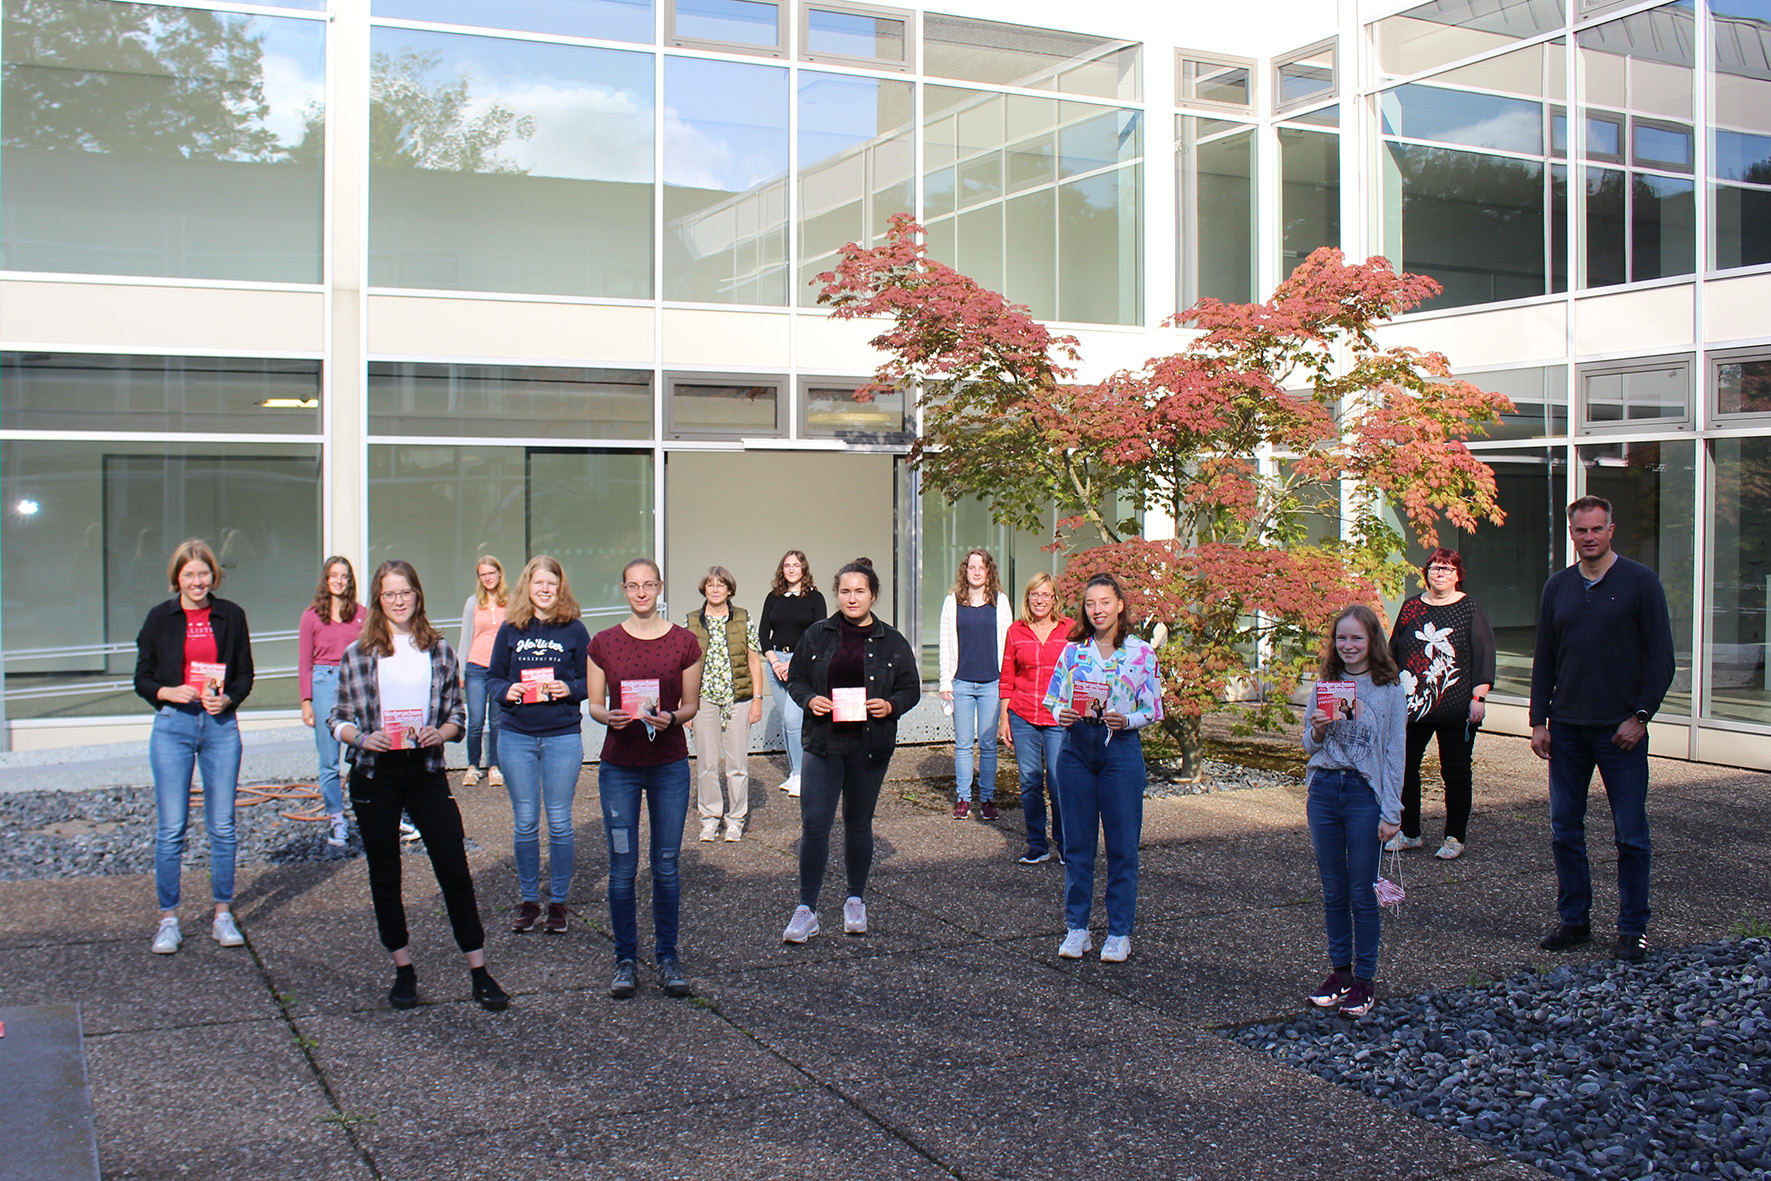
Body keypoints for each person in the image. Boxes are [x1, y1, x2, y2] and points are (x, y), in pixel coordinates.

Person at [329, 560, 508, 1012]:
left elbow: (458, 718)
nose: (399, 601)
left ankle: (479, 971)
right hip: (375, 772)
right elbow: (337, 719)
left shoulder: (440, 651)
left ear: (418, 594)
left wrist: (441, 733)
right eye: (389, 594)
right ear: (378, 599)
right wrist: (358, 736)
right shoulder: (358, 653)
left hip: (424, 769)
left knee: (453, 866)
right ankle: (403, 970)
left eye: (405, 592)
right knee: (386, 873)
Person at [1530, 495, 1675, 964]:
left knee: (1630, 834)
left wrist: (1641, 717)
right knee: (1564, 829)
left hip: (1620, 732)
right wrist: (1538, 721)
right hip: (1567, 730)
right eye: (1580, 530)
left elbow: (1661, 659)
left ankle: (1633, 929)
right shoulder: (1558, 587)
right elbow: (1545, 658)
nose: (1588, 537)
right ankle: (1575, 920)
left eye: (1596, 529)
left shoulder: (1640, 583)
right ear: (1571, 534)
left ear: (1611, 530)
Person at [780, 558, 922, 944]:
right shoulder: (816, 635)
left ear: (873, 595)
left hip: (869, 746)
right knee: (815, 825)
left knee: (858, 824)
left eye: (860, 591)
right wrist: (810, 700)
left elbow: (911, 688)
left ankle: (855, 900)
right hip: (824, 744)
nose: (852, 597)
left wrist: (890, 706)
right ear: (836, 594)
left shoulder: (892, 640)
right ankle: (806, 908)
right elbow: (796, 679)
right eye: (845, 591)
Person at [586, 558, 703, 1000]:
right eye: (633, 586)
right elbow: (595, 704)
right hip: (619, 766)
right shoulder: (604, 643)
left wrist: (672, 716)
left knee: (666, 865)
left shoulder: (684, 642)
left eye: (648, 585)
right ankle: (625, 960)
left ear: (660, 587)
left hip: (668, 764)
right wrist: (607, 716)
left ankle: (668, 957)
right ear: (623, 590)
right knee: (622, 867)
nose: (640, 593)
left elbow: (690, 705)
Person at [134, 539, 255, 956]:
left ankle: (223, 912)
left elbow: (245, 674)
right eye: (189, 574)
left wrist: (229, 699)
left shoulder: (231, 615)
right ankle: (168, 919)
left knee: (222, 826)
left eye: (203, 573)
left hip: (220, 726)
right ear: (177, 578)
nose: (197, 581)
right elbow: (142, 678)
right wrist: (168, 691)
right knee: (171, 830)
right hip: (174, 726)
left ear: (213, 575)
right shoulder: (159, 618)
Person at [1043, 573, 1162, 964]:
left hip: (1120, 750)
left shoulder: (1142, 653)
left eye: (1105, 603)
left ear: (1120, 605)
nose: (1098, 610)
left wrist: (1128, 721)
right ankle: (1077, 928)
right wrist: (1060, 714)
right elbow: (1052, 698)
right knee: (1077, 845)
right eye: (1091, 604)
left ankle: (1118, 932)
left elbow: (1153, 708)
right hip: (1077, 749)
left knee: (1121, 846)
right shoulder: (1073, 652)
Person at [1301, 604, 1405, 1018]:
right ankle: (1339, 972)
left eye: (1356, 638)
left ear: (1372, 641)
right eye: (1341, 638)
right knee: (1333, 890)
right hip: (1326, 788)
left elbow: (1396, 751)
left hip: (1365, 793)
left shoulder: (1389, 688)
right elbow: (1308, 746)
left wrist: (1392, 811)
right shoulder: (1326, 682)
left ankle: (1365, 979)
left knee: (1363, 891)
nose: (1348, 646)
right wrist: (1318, 728)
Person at [488, 556, 590, 936]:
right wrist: (506, 691)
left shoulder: (575, 630)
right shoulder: (510, 629)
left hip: (562, 736)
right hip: (516, 736)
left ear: (560, 588)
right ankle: (529, 899)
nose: (545, 590)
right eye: (537, 584)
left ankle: (559, 902)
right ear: (526, 588)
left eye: (551, 583)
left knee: (560, 822)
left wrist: (571, 689)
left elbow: (591, 681)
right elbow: (493, 677)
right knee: (526, 821)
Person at [1387, 548, 1495, 861]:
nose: (1441, 574)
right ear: (1427, 572)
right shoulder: (1410, 607)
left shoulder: (1469, 608)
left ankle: (1454, 836)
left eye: (1448, 569)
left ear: (1458, 575)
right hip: (1412, 707)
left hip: (1457, 707)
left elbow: (1484, 654)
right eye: (1435, 568)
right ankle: (1409, 832)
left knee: (1456, 772)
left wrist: (1479, 697)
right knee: (1404, 768)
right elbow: (1393, 652)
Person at [998, 572, 1074, 865]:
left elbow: (1079, 672)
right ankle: (1036, 844)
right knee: (1030, 781)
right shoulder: (1016, 631)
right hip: (1023, 713)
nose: (1040, 600)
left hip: (1058, 717)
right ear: (1027, 598)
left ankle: (1065, 844)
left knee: (1058, 781)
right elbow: (1008, 677)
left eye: (1046, 595)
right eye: (1034, 594)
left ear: (1055, 598)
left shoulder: (1071, 630)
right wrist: (1004, 719)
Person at [685, 566, 763, 843]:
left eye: (721, 585)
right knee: (706, 763)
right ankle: (709, 819)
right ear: (704, 589)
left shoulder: (742, 617)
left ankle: (735, 820)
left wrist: (757, 700)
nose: (715, 589)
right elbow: (685, 666)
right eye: (710, 585)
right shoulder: (692, 621)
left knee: (737, 764)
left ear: (730, 589)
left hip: (738, 699)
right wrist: (686, 706)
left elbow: (754, 660)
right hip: (704, 700)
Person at [939, 548, 1013, 820]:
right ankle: (963, 798)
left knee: (988, 743)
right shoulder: (953, 602)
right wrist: (945, 681)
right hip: (962, 682)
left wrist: (1007, 681)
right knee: (962, 744)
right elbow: (946, 643)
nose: (977, 572)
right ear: (965, 570)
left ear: (989, 571)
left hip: (992, 682)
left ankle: (988, 797)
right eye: (972, 567)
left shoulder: (1000, 601)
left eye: (982, 567)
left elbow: (1009, 644)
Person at [299, 556, 364, 848]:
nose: (339, 581)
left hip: (354, 683)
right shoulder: (311, 616)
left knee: (365, 751)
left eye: (344, 576)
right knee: (329, 760)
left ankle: (371, 811)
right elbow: (304, 662)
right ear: (326, 580)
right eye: (334, 576)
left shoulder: (362, 615)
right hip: (324, 683)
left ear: (350, 581)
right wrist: (306, 701)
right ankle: (337, 820)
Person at [759, 550, 825, 798]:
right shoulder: (773, 597)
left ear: (804, 569)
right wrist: (775, 661)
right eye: (787, 565)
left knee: (794, 718)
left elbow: (819, 634)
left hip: (802, 664)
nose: (791, 569)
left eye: (796, 565)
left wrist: (794, 663)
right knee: (788, 722)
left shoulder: (815, 598)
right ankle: (795, 771)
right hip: (776, 662)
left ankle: (801, 773)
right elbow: (764, 634)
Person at [457, 555, 508, 788]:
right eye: (483, 574)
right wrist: (460, 670)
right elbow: (465, 636)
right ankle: (473, 766)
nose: (488, 578)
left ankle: (494, 766)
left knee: (497, 721)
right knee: (476, 720)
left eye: (491, 573)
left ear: (499, 573)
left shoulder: (510, 601)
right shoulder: (472, 603)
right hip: (476, 667)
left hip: (500, 668)